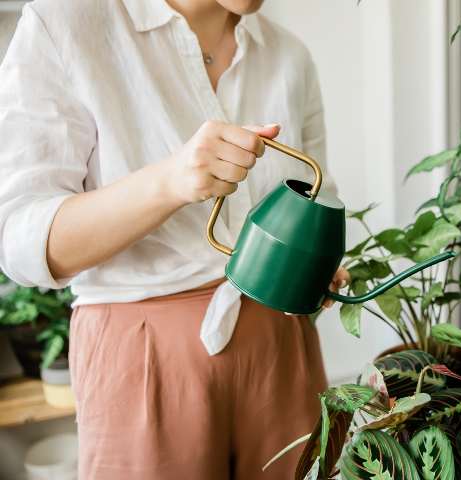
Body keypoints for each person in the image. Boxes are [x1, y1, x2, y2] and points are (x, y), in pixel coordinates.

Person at [0, 0, 349, 478]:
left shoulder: (288, 55)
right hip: (144, 358)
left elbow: (318, 193)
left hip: (283, 349)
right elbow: (20, 243)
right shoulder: (67, 23)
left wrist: (320, 263)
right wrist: (169, 182)